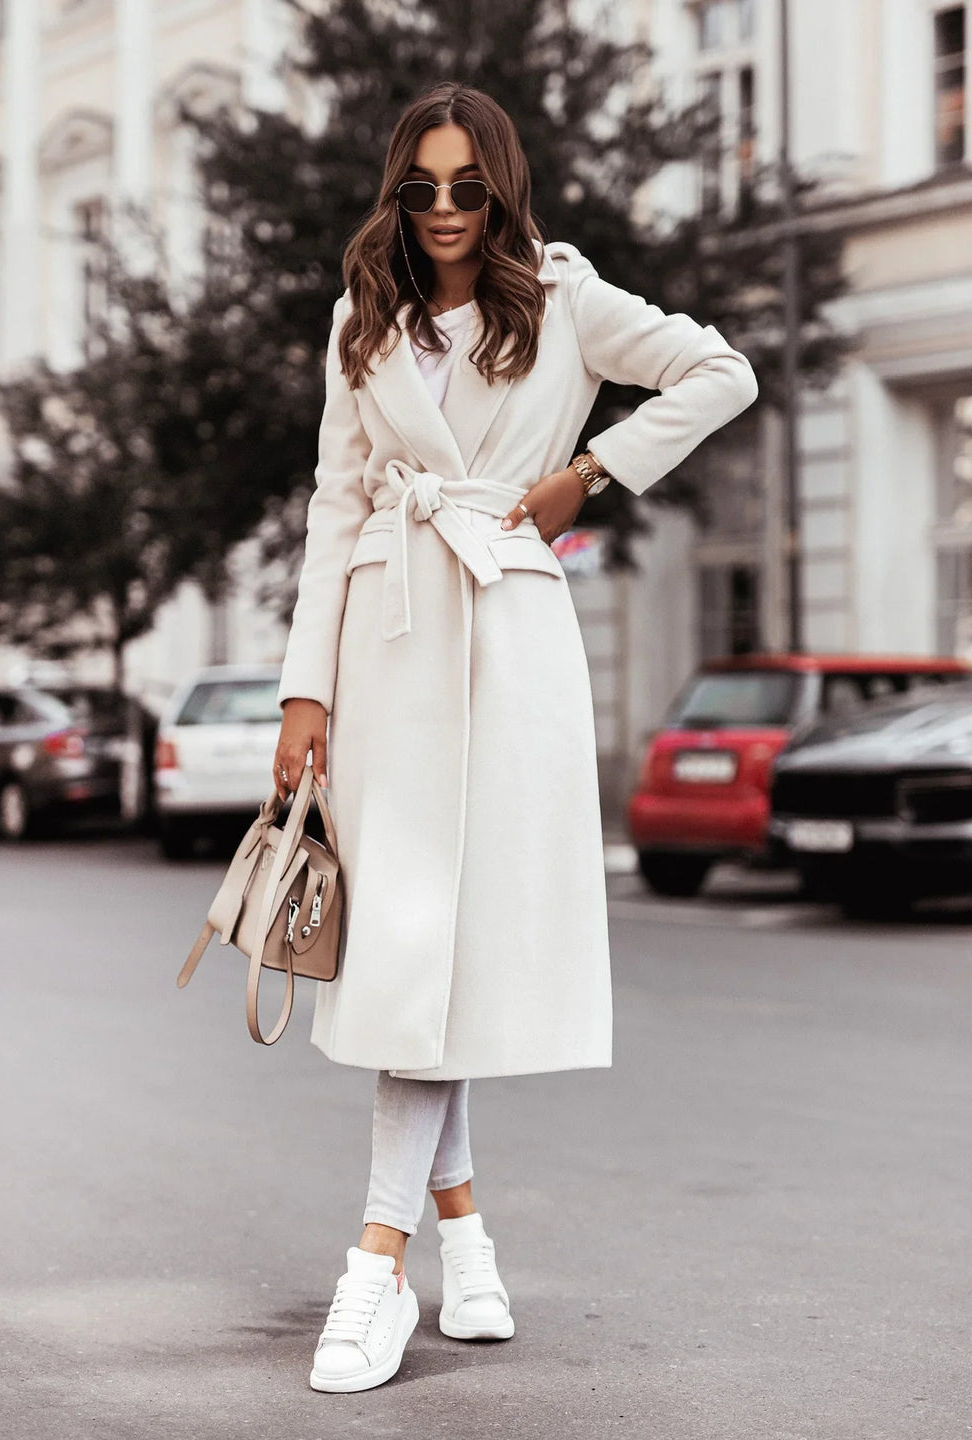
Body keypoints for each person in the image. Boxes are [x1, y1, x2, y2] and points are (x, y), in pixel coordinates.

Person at [271, 81, 758, 1394]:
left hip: (509, 645)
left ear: (500, 188)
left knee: (454, 948)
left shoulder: (563, 298)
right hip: (385, 648)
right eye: (418, 186)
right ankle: (465, 1241)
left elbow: (724, 371)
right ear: (396, 188)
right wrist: (300, 692)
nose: (439, 210)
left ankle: (376, 1266)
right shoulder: (357, 319)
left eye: (464, 187)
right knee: (419, 954)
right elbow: (330, 505)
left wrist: (589, 475)